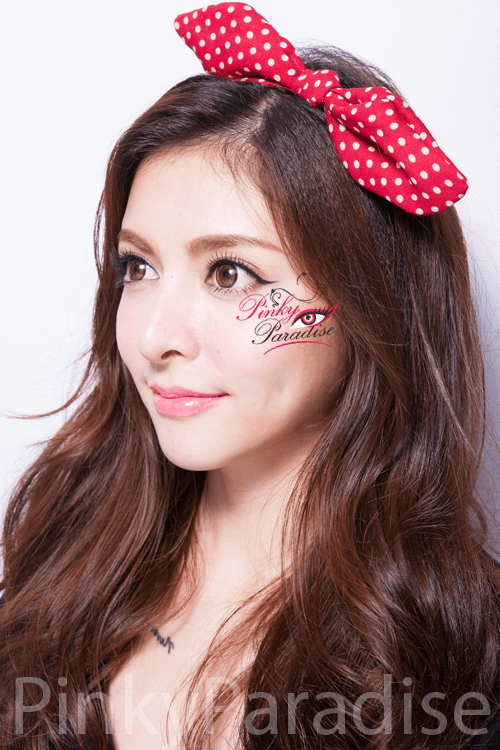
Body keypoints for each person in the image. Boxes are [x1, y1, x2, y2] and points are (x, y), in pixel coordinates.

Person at [1, 2, 499, 748]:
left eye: (231, 273)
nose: (155, 337)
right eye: (137, 266)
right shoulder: (66, 566)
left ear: (369, 303)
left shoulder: (462, 658)